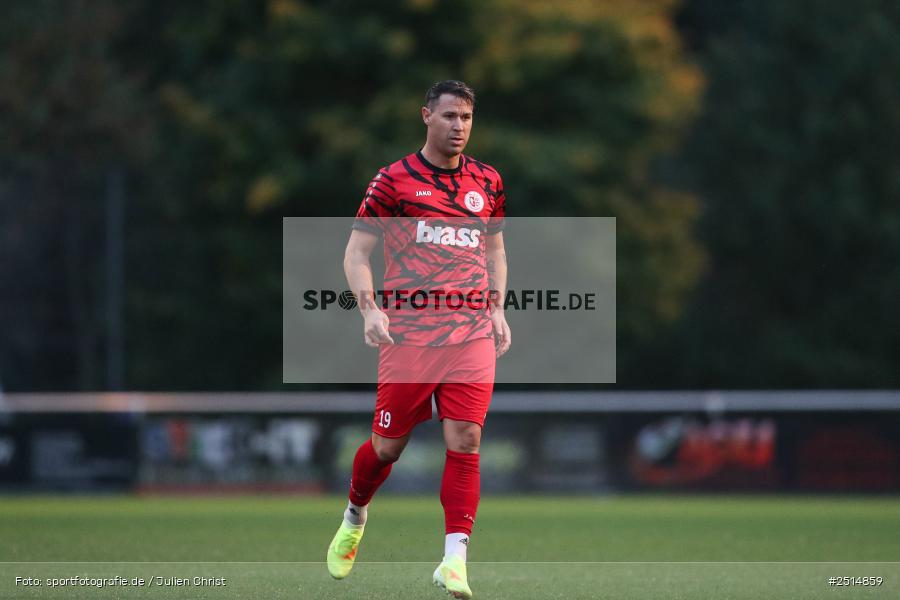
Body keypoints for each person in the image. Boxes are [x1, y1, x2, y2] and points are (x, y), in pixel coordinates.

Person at [327, 80, 510, 599]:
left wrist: (497, 308)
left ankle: (454, 560)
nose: (460, 127)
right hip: (408, 337)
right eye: (450, 116)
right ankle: (355, 514)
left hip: (470, 332)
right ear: (426, 116)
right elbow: (356, 254)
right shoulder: (393, 181)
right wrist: (369, 311)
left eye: (467, 117)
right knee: (387, 449)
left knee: (466, 440)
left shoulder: (488, 181)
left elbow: (495, 251)